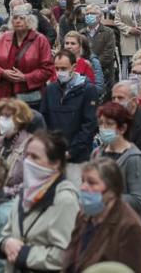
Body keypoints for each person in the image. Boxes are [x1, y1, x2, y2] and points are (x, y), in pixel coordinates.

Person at [0, 130, 80, 273]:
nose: (28, 162)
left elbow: (65, 254)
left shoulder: (64, 199)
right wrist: (6, 244)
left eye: (35, 157)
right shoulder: (25, 192)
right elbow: (6, 232)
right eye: (27, 155)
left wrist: (24, 254)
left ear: (55, 163)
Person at [63, 158, 141, 273]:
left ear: (112, 191)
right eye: (83, 181)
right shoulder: (83, 215)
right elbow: (71, 258)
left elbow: (134, 269)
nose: (83, 187)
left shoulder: (130, 226)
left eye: (92, 183)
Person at [40, 50, 98, 184]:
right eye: (57, 68)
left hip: (78, 158)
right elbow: (45, 121)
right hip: (54, 156)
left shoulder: (88, 90)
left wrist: (72, 151)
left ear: (74, 67)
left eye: (64, 68)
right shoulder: (50, 90)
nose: (60, 72)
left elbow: (89, 125)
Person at [0, 3, 54, 107]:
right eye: (14, 18)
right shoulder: (4, 38)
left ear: (29, 20)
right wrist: (3, 72)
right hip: (4, 96)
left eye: (21, 18)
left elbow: (48, 69)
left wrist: (25, 77)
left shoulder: (40, 40)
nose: (17, 21)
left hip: (30, 97)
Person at [91, 102, 141, 218]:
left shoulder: (134, 158)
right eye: (101, 124)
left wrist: (105, 196)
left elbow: (138, 201)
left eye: (109, 124)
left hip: (125, 225)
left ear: (122, 128)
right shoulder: (97, 153)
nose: (103, 128)